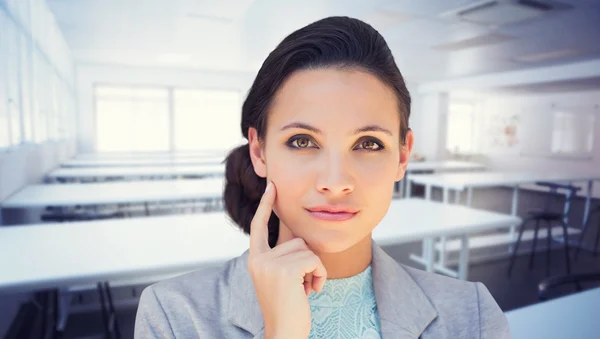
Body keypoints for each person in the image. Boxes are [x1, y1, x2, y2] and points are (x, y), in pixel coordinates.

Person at [134, 16, 510, 339]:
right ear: (259, 151)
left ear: (403, 156)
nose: (335, 181)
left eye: (368, 143)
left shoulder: (473, 316)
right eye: (302, 141)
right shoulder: (174, 316)